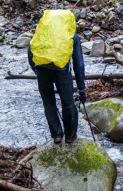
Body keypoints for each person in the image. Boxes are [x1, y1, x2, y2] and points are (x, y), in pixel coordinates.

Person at [28, 9, 86, 144]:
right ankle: (70, 136)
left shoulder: (42, 33)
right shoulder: (71, 36)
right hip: (62, 70)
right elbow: (79, 63)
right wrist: (81, 88)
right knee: (67, 102)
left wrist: (37, 71)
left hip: (42, 69)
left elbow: (31, 52)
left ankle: (57, 135)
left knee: (49, 103)